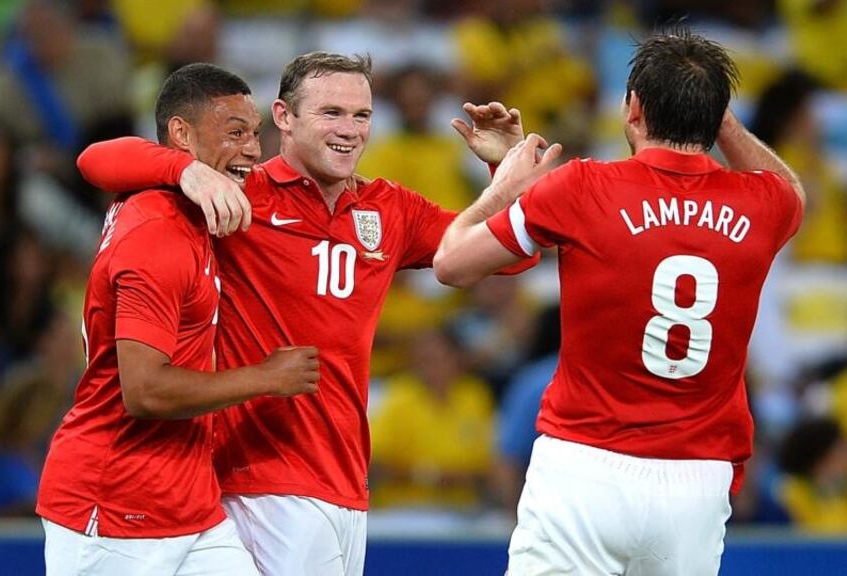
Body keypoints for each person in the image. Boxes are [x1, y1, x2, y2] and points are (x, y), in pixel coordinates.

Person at [76, 52, 529, 575]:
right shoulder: (241, 193)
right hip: (258, 478)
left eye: (362, 115)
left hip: (346, 479)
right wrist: (186, 171)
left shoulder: (389, 209)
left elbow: (510, 256)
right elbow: (96, 161)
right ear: (284, 118)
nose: (350, 130)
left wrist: (504, 171)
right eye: (331, 113)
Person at [434, 29, 806, 575]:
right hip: (697, 481)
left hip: (586, 464)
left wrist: (505, 183)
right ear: (716, 115)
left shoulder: (582, 188)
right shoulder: (761, 203)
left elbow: (451, 263)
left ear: (632, 108)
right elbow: (792, 191)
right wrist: (716, 116)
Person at [36, 63, 320, 576]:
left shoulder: (191, 207)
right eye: (235, 133)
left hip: (189, 502)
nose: (254, 150)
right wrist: (266, 377)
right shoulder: (158, 233)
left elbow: (99, 159)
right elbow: (144, 391)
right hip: (115, 502)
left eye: (255, 134)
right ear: (181, 135)